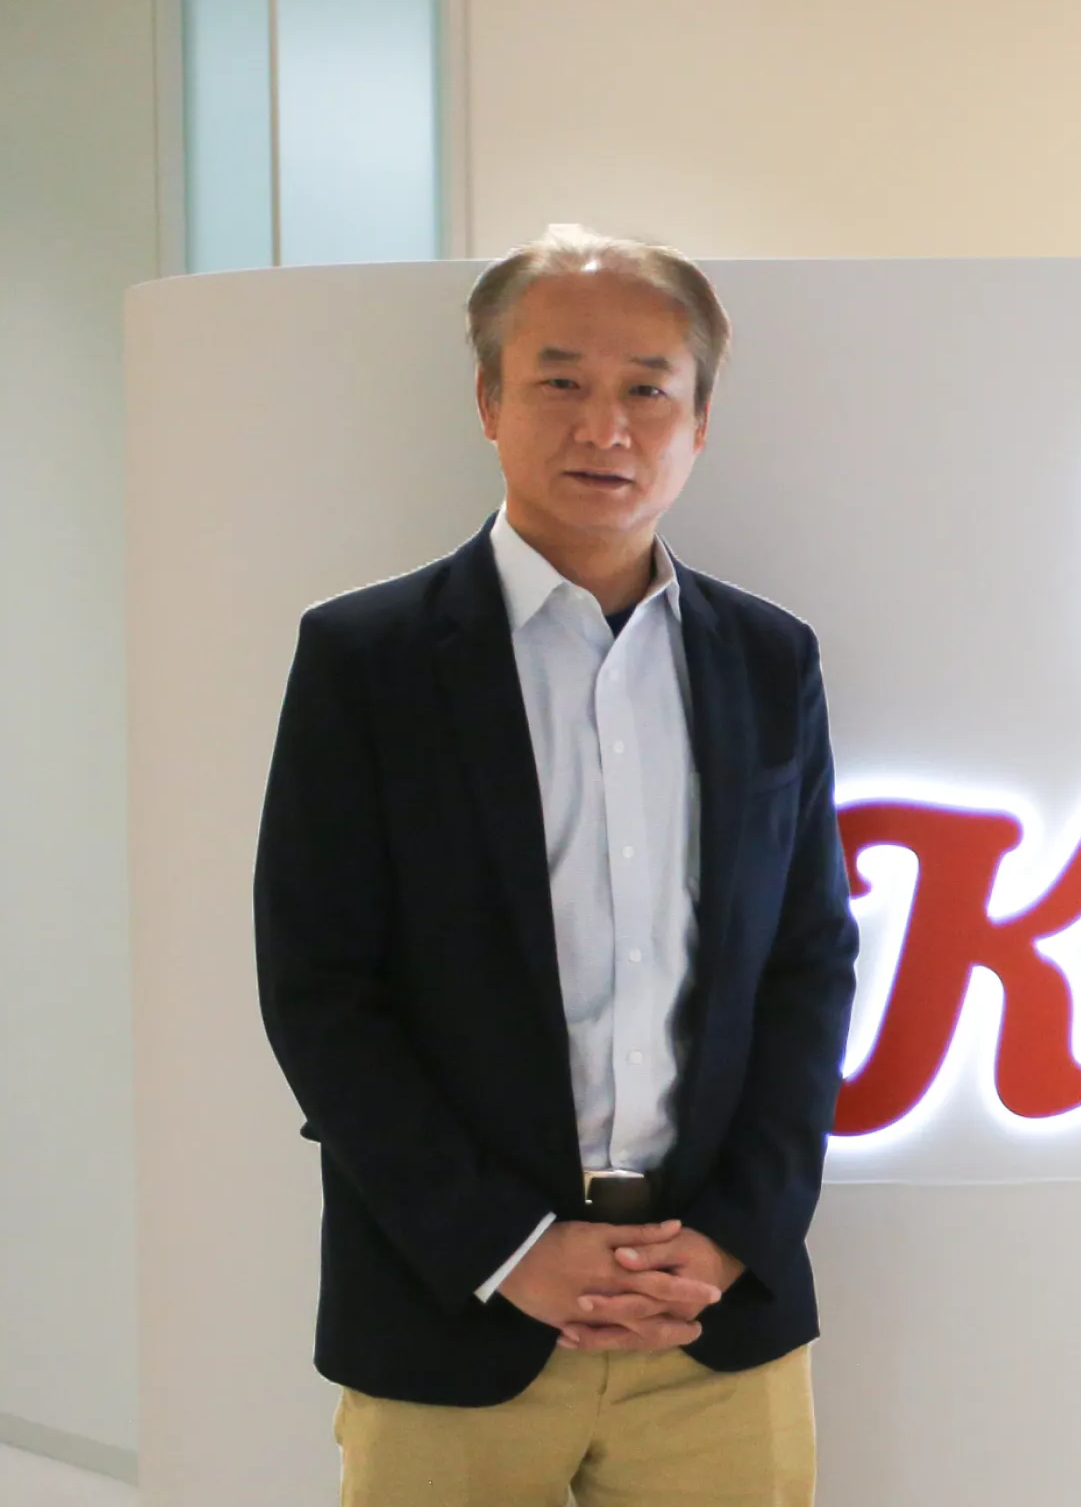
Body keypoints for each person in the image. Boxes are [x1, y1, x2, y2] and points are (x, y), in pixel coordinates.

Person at [255, 227, 859, 1504]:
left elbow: (808, 963)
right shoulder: (367, 661)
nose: (606, 426)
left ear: (700, 421)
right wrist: (507, 1248)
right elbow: (321, 992)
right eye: (560, 381)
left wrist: (736, 1236)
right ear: (489, 400)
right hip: (455, 1309)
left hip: (713, 1322)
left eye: (648, 388)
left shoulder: (768, 661)